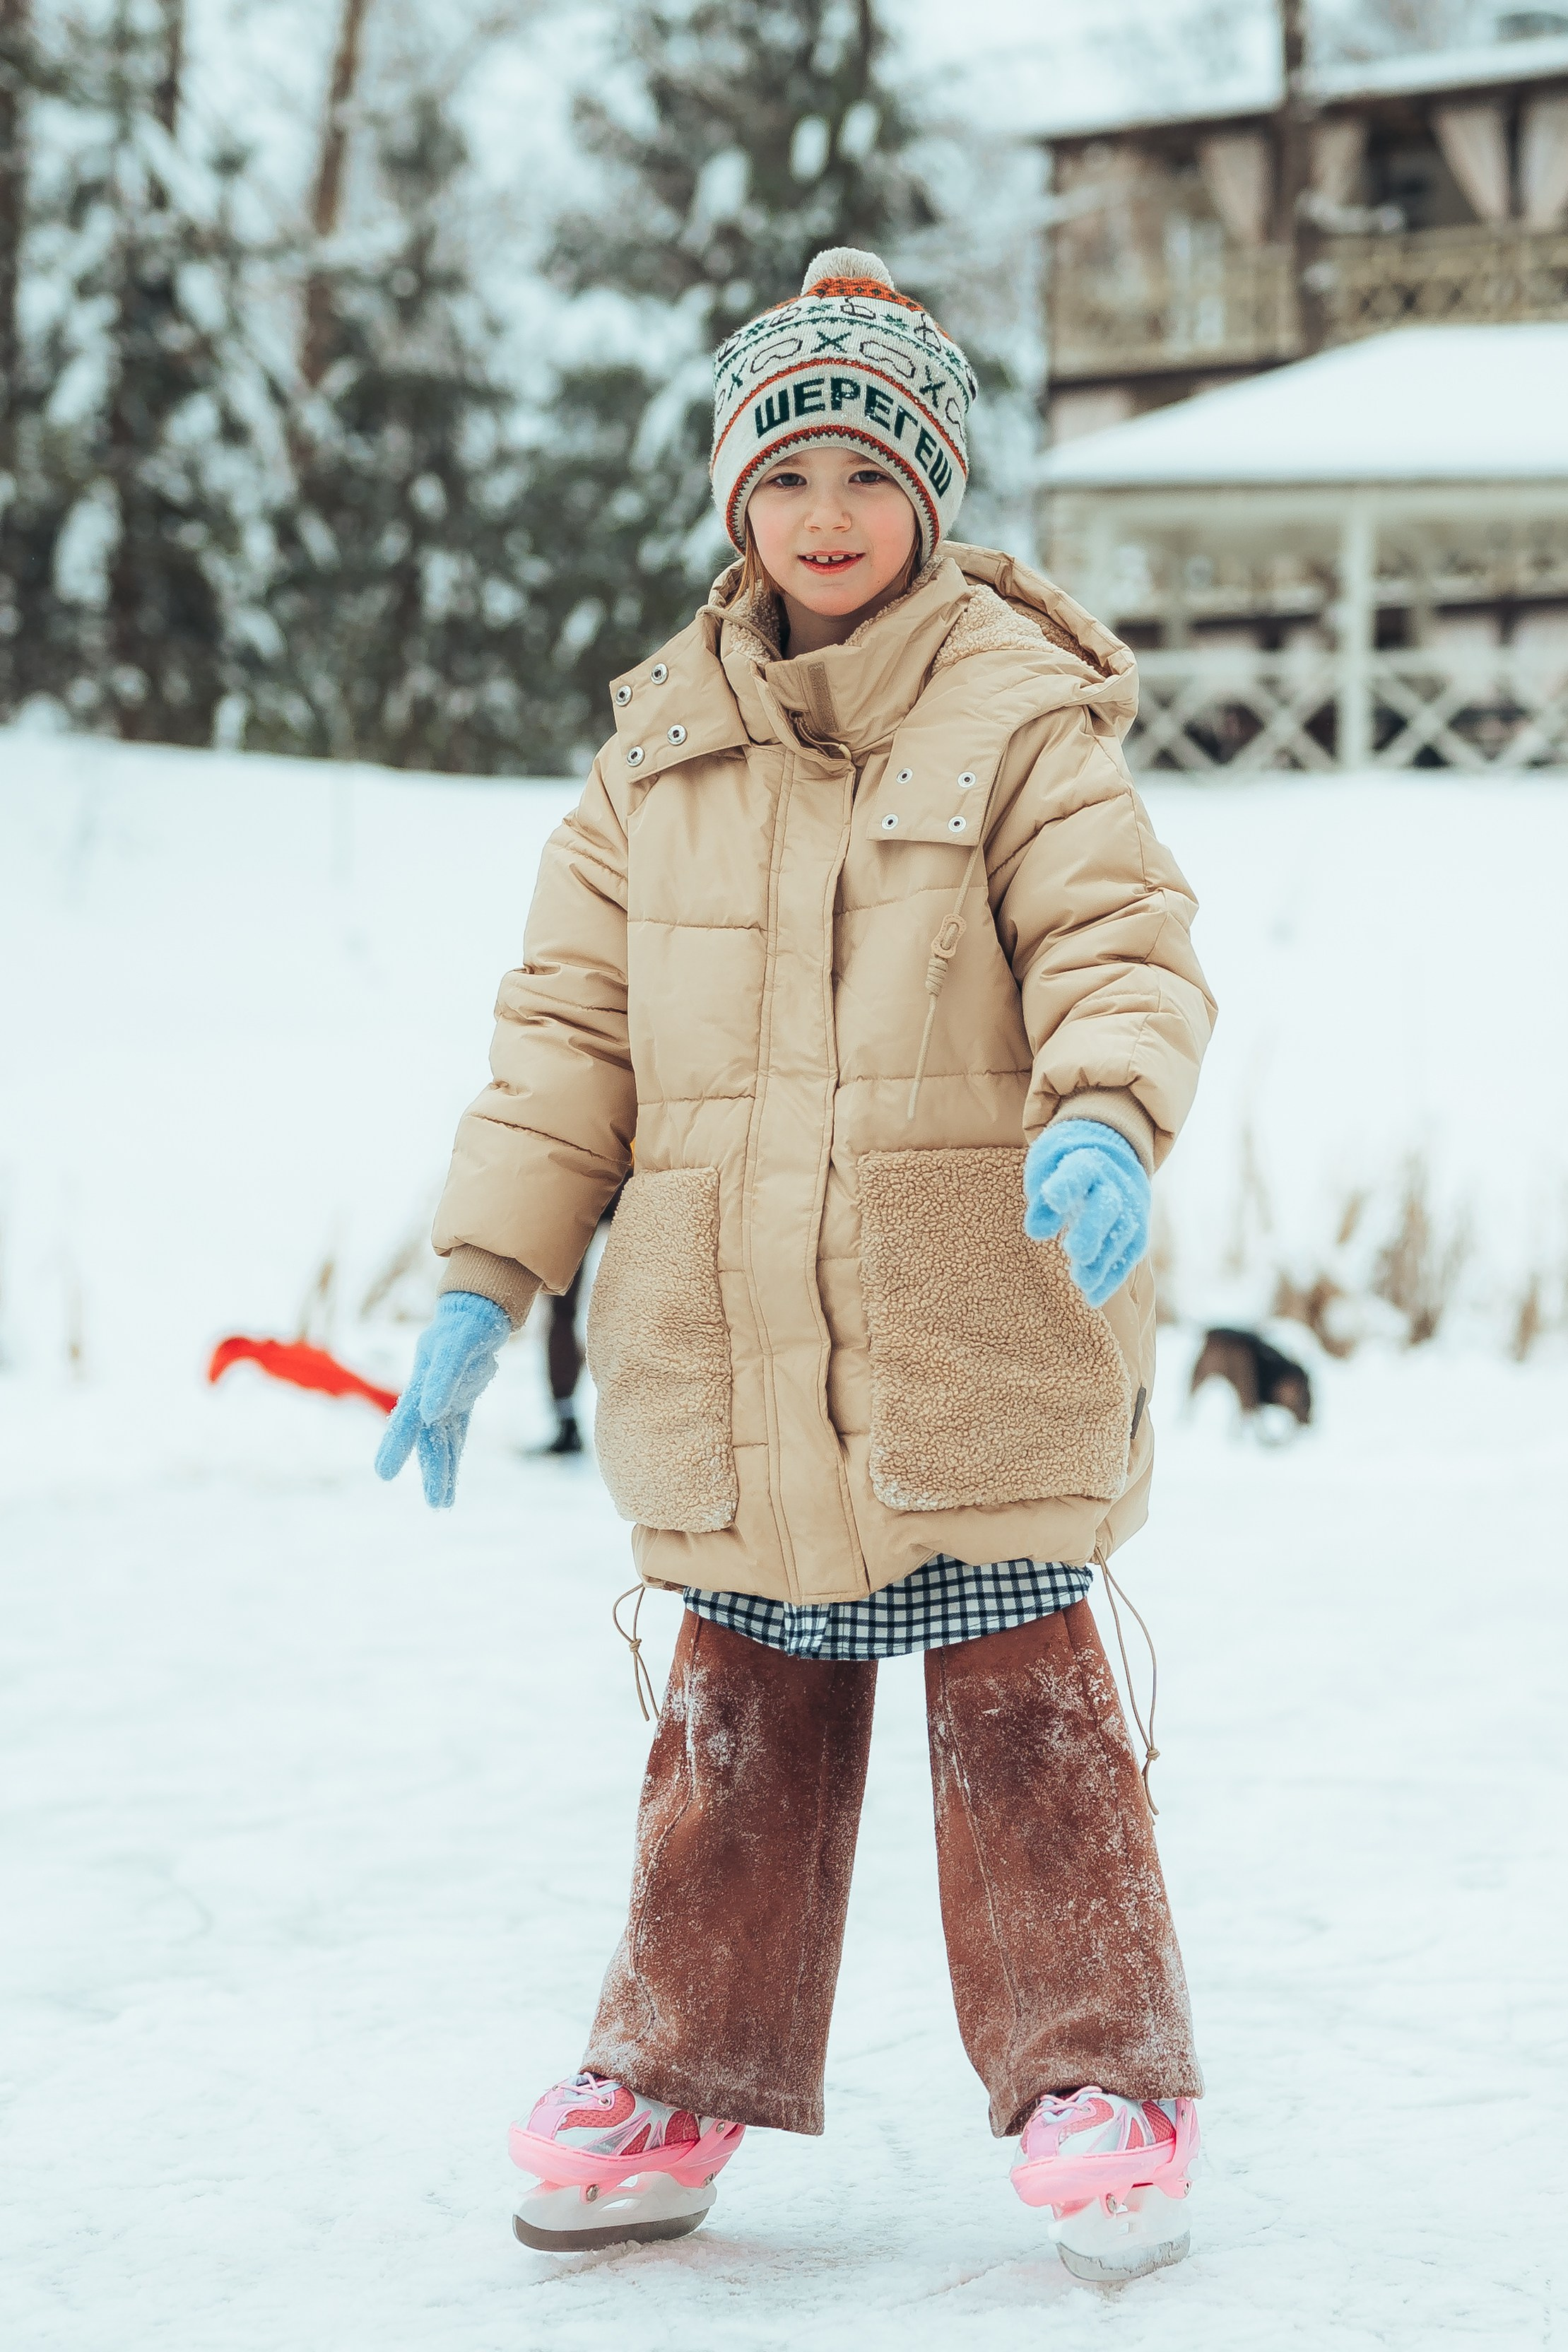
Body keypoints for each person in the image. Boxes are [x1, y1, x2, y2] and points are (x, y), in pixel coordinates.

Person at [377, 248, 1216, 2282]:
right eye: (785, 472)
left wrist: (1101, 1113)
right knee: (735, 1721)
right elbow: (563, 1038)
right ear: (733, 505)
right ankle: (675, 2071)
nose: (824, 510)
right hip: (732, 1343)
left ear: (929, 494)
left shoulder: (1021, 715)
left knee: (1026, 1709)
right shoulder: (649, 759)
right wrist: (488, 1277)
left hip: (967, 1317)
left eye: (867, 467)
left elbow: (1121, 942)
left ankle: (1099, 2072)